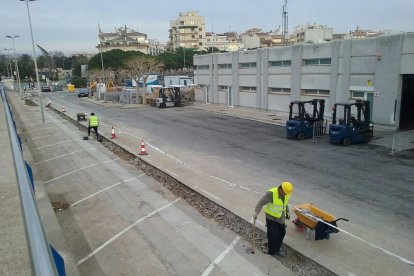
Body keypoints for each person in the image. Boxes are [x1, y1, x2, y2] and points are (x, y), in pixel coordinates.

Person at [253, 181, 293, 257]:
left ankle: (277, 248)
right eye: (284, 192)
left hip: (280, 217)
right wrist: (256, 212)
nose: (285, 194)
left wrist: (287, 212)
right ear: (280, 189)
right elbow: (261, 202)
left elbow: (285, 203)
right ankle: (271, 251)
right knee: (273, 235)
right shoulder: (271, 194)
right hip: (271, 217)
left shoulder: (286, 194)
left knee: (282, 233)